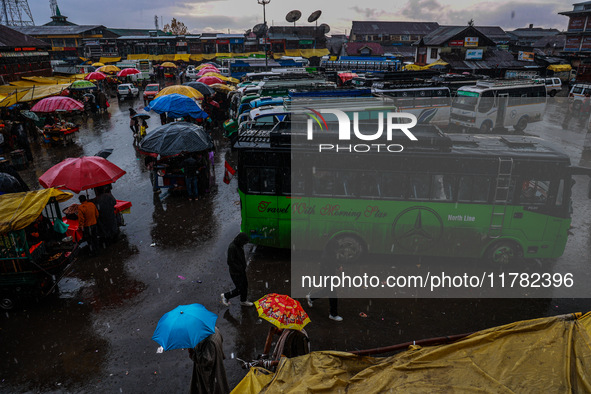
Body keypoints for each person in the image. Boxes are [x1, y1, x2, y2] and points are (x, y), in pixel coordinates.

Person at [306, 240, 343, 322]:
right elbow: (329, 265)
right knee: (333, 295)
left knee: (327, 291)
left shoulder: (329, 252)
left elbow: (333, 261)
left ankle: (311, 298)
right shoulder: (326, 256)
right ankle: (333, 314)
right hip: (327, 277)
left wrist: (337, 266)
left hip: (328, 276)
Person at [188, 327, 229, 394]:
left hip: (209, 374)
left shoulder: (208, 341)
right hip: (217, 363)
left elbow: (206, 360)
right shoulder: (215, 330)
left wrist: (192, 353)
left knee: (211, 389)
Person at [221, 233, 254, 307]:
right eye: (244, 242)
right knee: (240, 289)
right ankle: (226, 296)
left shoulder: (239, 245)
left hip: (241, 271)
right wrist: (239, 268)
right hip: (236, 273)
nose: (244, 244)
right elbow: (230, 262)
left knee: (245, 286)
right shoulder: (232, 247)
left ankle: (243, 301)